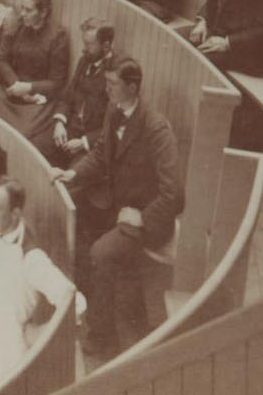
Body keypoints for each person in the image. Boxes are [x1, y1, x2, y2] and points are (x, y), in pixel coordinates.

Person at [51, 58, 181, 360]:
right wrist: (73, 174)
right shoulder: (114, 111)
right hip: (120, 205)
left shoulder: (157, 129)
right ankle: (97, 309)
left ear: (132, 87)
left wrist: (142, 217)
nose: (106, 89)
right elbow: (99, 155)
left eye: (112, 85)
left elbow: (174, 193)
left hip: (146, 217)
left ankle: (103, 339)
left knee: (101, 253)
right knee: (75, 215)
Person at [0, 179, 77, 395]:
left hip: (11, 349)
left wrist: (40, 333)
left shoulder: (32, 258)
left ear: (15, 214)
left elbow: (74, 302)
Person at [0, 0, 72, 152]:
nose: (23, 14)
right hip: (11, 90)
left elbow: (57, 82)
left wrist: (28, 88)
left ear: (43, 12)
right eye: (22, 8)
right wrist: (16, 84)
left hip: (38, 98)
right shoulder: (16, 24)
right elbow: (1, 59)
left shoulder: (58, 36)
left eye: (28, 10)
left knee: (21, 136)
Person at [40, 17, 115, 166]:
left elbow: (114, 124)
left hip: (93, 142)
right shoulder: (85, 60)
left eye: (89, 45)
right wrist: (60, 122)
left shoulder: (116, 72)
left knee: (73, 176)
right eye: (84, 43)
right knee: (37, 150)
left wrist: (84, 142)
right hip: (70, 129)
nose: (84, 49)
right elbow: (68, 96)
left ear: (106, 46)